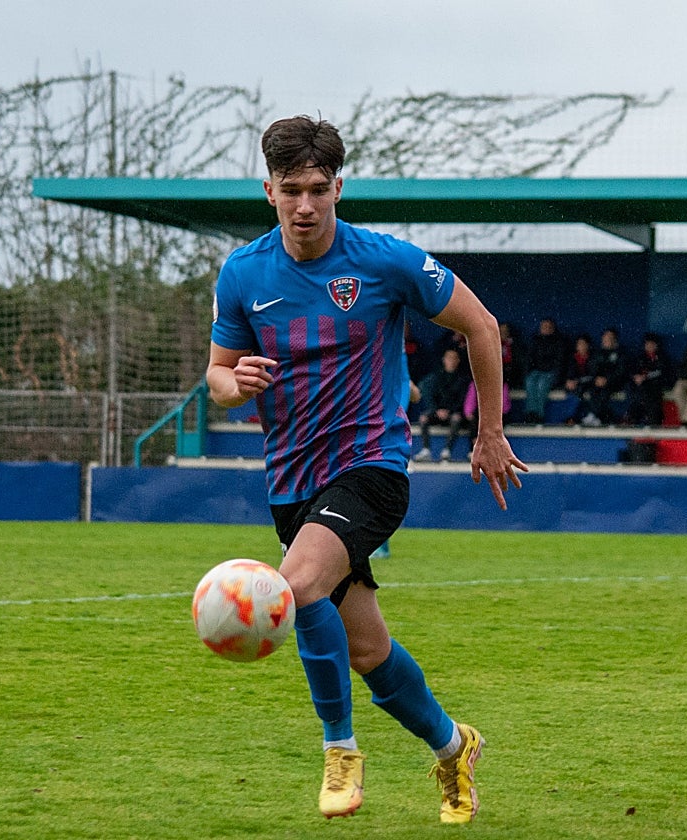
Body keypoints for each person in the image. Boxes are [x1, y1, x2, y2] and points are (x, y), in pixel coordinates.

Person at [206, 115, 527, 823]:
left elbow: (481, 324)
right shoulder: (243, 273)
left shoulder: (384, 260)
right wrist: (238, 385)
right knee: (367, 648)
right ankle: (453, 747)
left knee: (295, 586)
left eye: (319, 189)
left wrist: (490, 432)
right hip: (290, 481)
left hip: (371, 465)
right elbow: (218, 378)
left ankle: (340, 751)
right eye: (291, 190)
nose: (306, 206)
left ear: (339, 186)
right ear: (268, 190)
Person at [416, 348, 472, 462]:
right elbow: (429, 396)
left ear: (458, 361)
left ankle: (447, 450)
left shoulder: (463, 379)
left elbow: (462, 400)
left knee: (456, 419)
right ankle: (426, 449)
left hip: (454, 413)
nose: (451, 361)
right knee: (423, 418)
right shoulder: (436, 377)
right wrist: (436, 410)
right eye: (448, 358)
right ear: (444, 360)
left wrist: (450, 411)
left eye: (454, 358)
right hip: (436, 412)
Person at [579, 327, 629, 426]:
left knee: (604, 392)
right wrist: (597, 379)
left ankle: (595, 415)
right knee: (592, 390)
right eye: (605, 338)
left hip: (615, 383)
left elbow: (621, 371)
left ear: (615, 340)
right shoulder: (597, 353)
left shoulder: (621, 353)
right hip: (598, 382)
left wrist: (607, 379)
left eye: (610, 338)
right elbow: (592, 368)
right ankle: (595, 416)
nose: (607, 340)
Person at [523, 317, 568, 424]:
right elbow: (530, 359)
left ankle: (539, 414)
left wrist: (556, 375)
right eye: (544, 327)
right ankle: (530, 413)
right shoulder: (535, 340)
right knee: (530, 381)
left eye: (548, 327)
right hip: (537, 371)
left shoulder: (559, 342)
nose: (546, 329)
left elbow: (560, 362)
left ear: (553, 328)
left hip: (550, 373)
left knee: (542, 384)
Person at [628, 332, 674, 427]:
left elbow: (663, 373)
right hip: (641, 390)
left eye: (652, 344)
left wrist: (646, 377)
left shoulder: (663, 358)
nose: (649, 346)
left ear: (657, 345)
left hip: (656, 387)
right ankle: (632, 422)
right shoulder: (640, 357)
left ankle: (652, 425)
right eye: (647, 344)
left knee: (651, 397)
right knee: (637, 394)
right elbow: (632, 371)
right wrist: (636, 377)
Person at [563, 334, 595, 424]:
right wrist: (569, 381)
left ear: (588, 345)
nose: (581, 346)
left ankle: (572, 418)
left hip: (589, 384)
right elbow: (569, 373)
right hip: (576, 386)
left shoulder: (593, 358)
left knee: (579, 390)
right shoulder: (572, 358)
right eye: (579, 344)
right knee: (572, 391)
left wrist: (578, 381)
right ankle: (572, 418)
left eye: (583, 344)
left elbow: (593, 375)